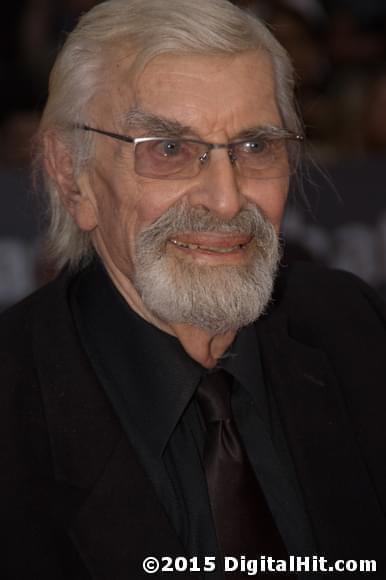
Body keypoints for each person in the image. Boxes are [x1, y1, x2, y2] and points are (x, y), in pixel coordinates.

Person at [1, 0, 385, 578]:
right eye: (169, 150)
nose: (226, 200)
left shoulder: (356, 330)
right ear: (70, 173)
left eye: (256, 147)